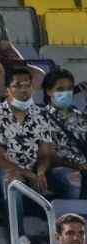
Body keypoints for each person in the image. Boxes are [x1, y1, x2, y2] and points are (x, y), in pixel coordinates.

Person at [0, 66, 55, 244]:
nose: (24, 90)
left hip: (33, 171)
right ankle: (20, 239)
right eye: (18, 85)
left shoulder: (41, 115)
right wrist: (28, 174)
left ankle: (62, 233)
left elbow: (45, 153)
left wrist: (40, 172)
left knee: (71, 178)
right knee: (13, 179)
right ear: (8, 89)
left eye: (27, 85)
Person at [41, 69, 87, 201]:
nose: (65, 93)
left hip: (83, 167)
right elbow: (46, 155)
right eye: (60, 89)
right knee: (73, 178)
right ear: (49, 91)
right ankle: (70, 212)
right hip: (59, 168)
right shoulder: (40, 118)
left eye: (69, 89)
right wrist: (76, 166)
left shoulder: (80, 117)